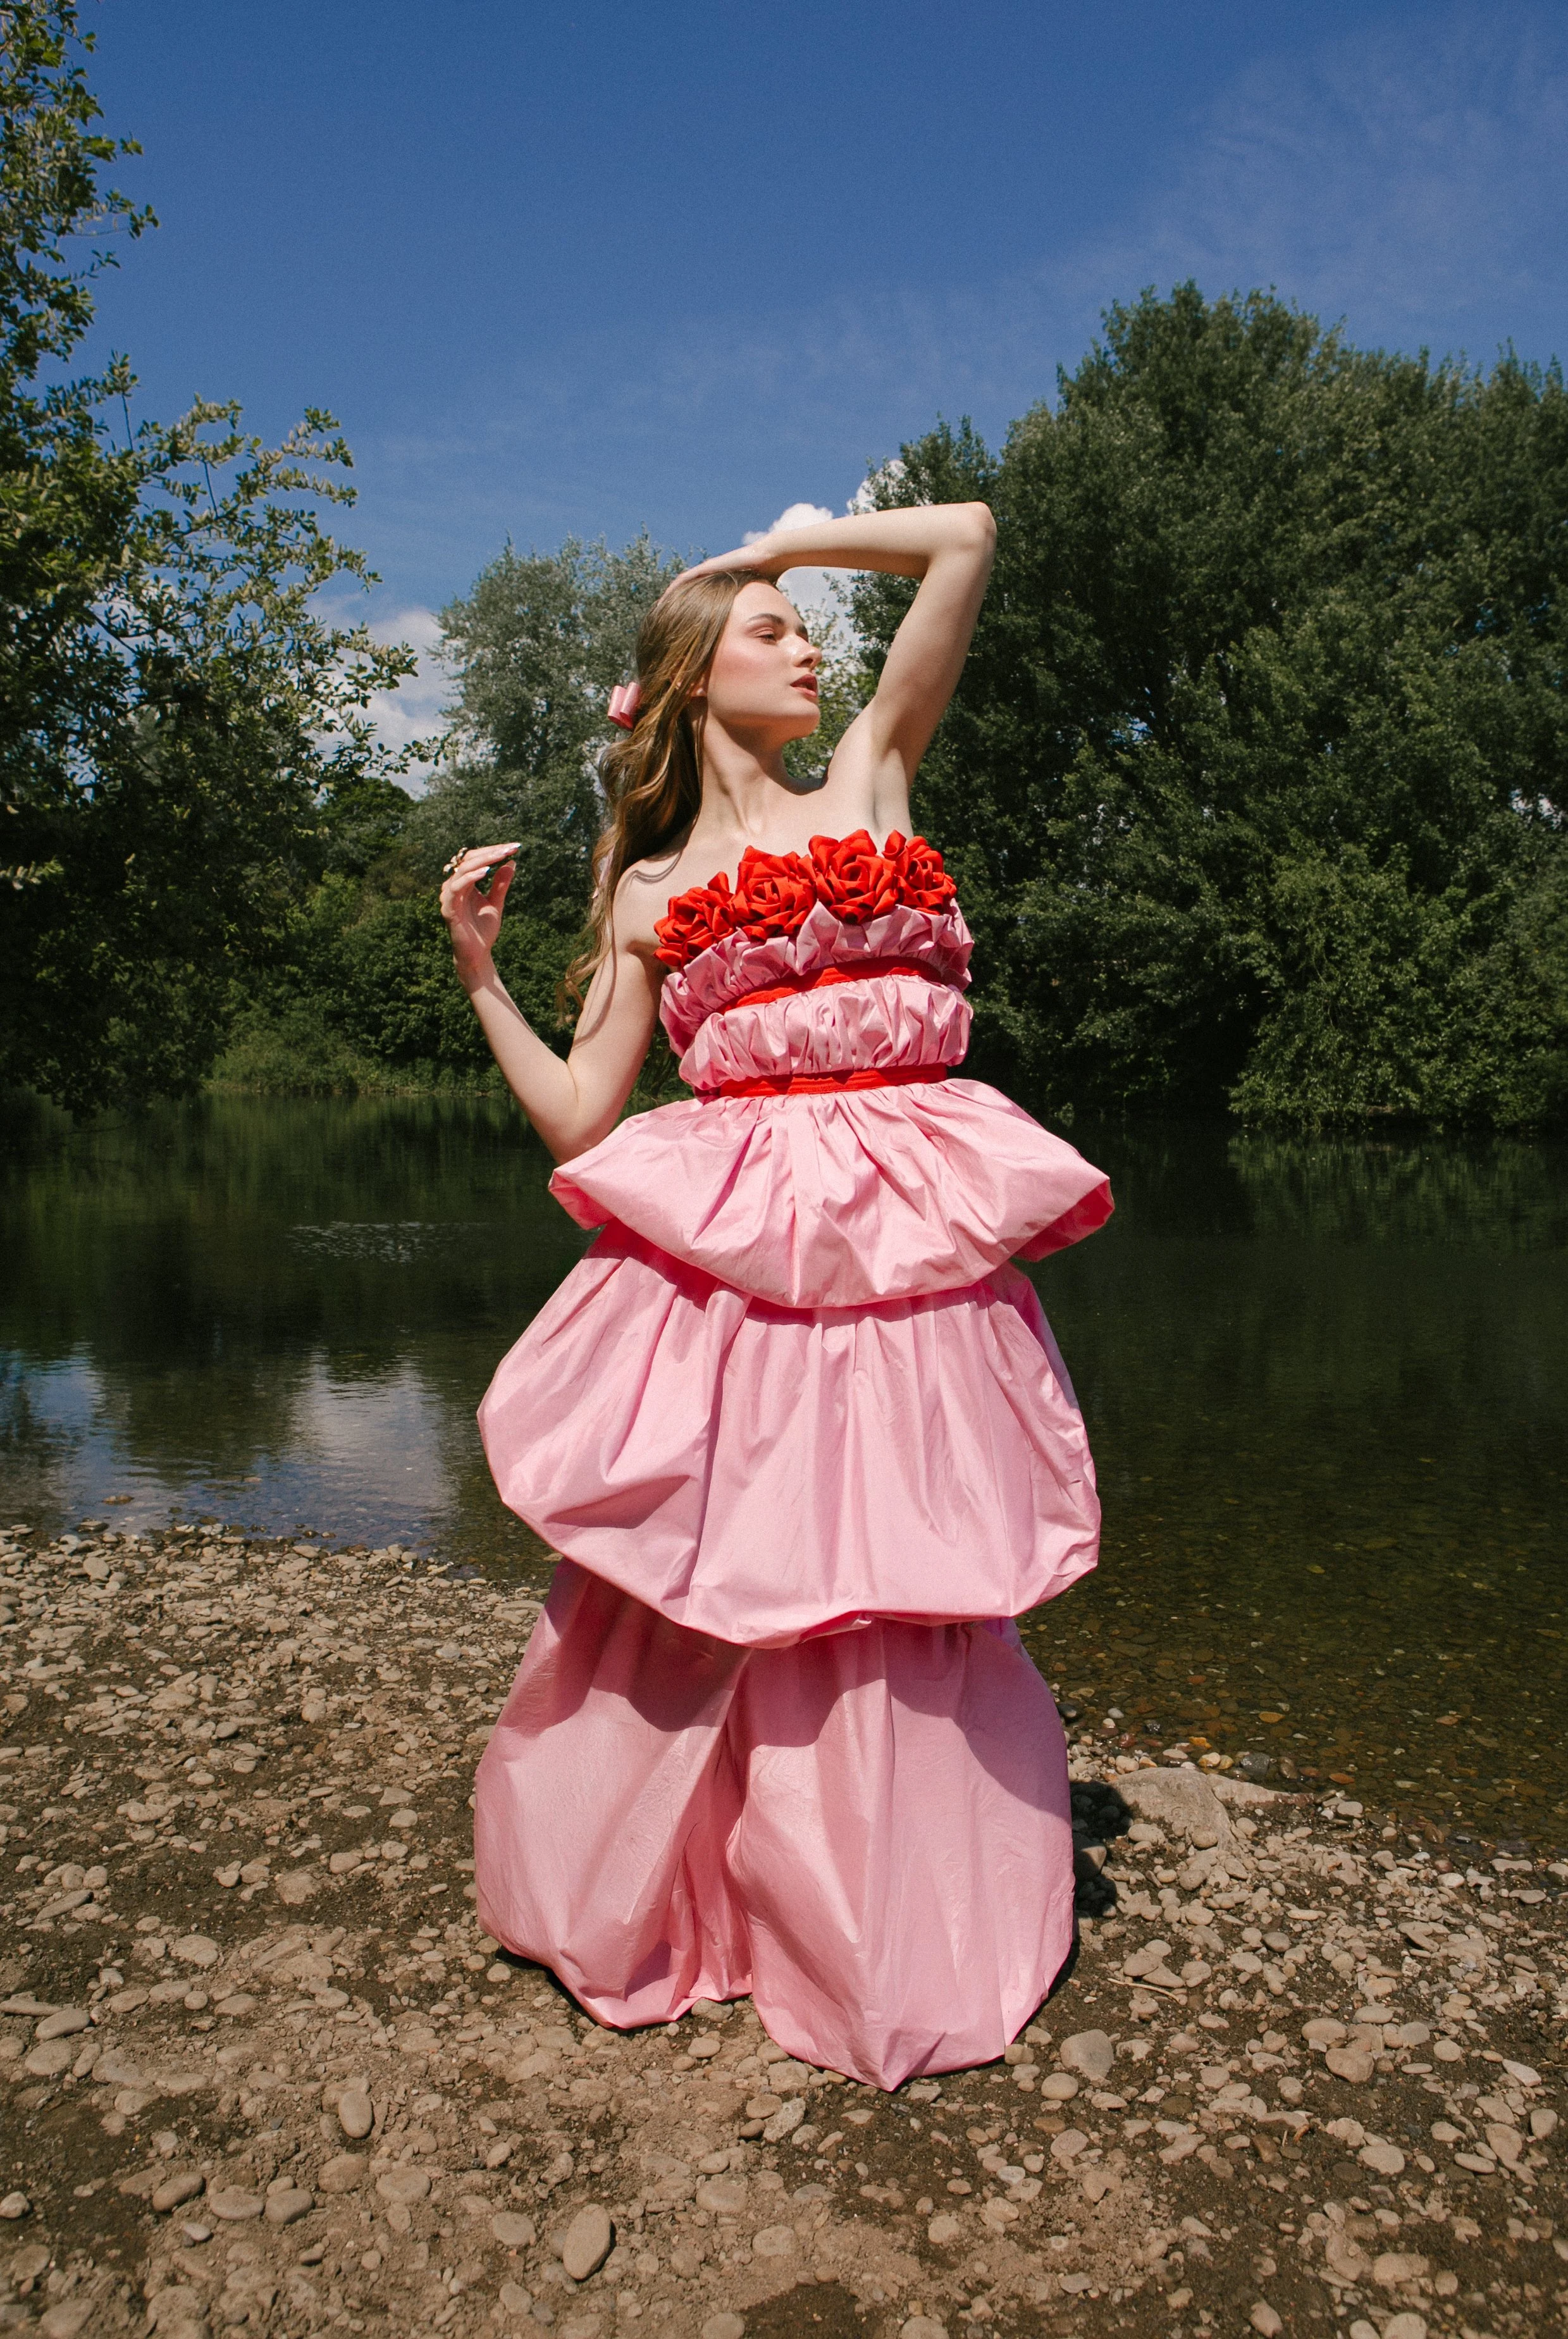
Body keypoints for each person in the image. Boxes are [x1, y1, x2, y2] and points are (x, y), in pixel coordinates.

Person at [440, 504, 1113, 2090]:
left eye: (805, 625)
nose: (809, 643)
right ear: (687, 680)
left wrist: (796, 543)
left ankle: (882, 1931)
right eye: (769, 630)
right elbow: (580, 1116)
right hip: (741, 1272)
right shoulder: (644, 888)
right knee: (712, 1578)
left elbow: (966, 541)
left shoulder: (873, 770)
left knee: (894, 1575)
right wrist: (477, 968)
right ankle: (679, 1899)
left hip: (907, 1256)